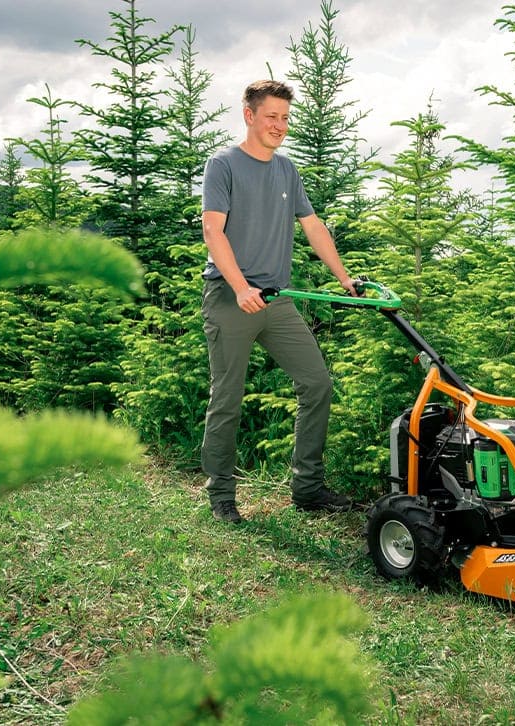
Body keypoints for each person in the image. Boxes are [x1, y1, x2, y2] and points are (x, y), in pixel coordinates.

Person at [199, 79, 356, 524]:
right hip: (231, 298)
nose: (280, 126)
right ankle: (222, 497)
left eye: (285, 118)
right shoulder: (223, 164)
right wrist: (241, 286)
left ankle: (307, 489)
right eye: (272, 116)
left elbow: (313, 225)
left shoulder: (286, 170)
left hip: (277, 300)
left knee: (317, 384)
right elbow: (214, 231)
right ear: (249, 115)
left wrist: (345, 279)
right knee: (227, 397)